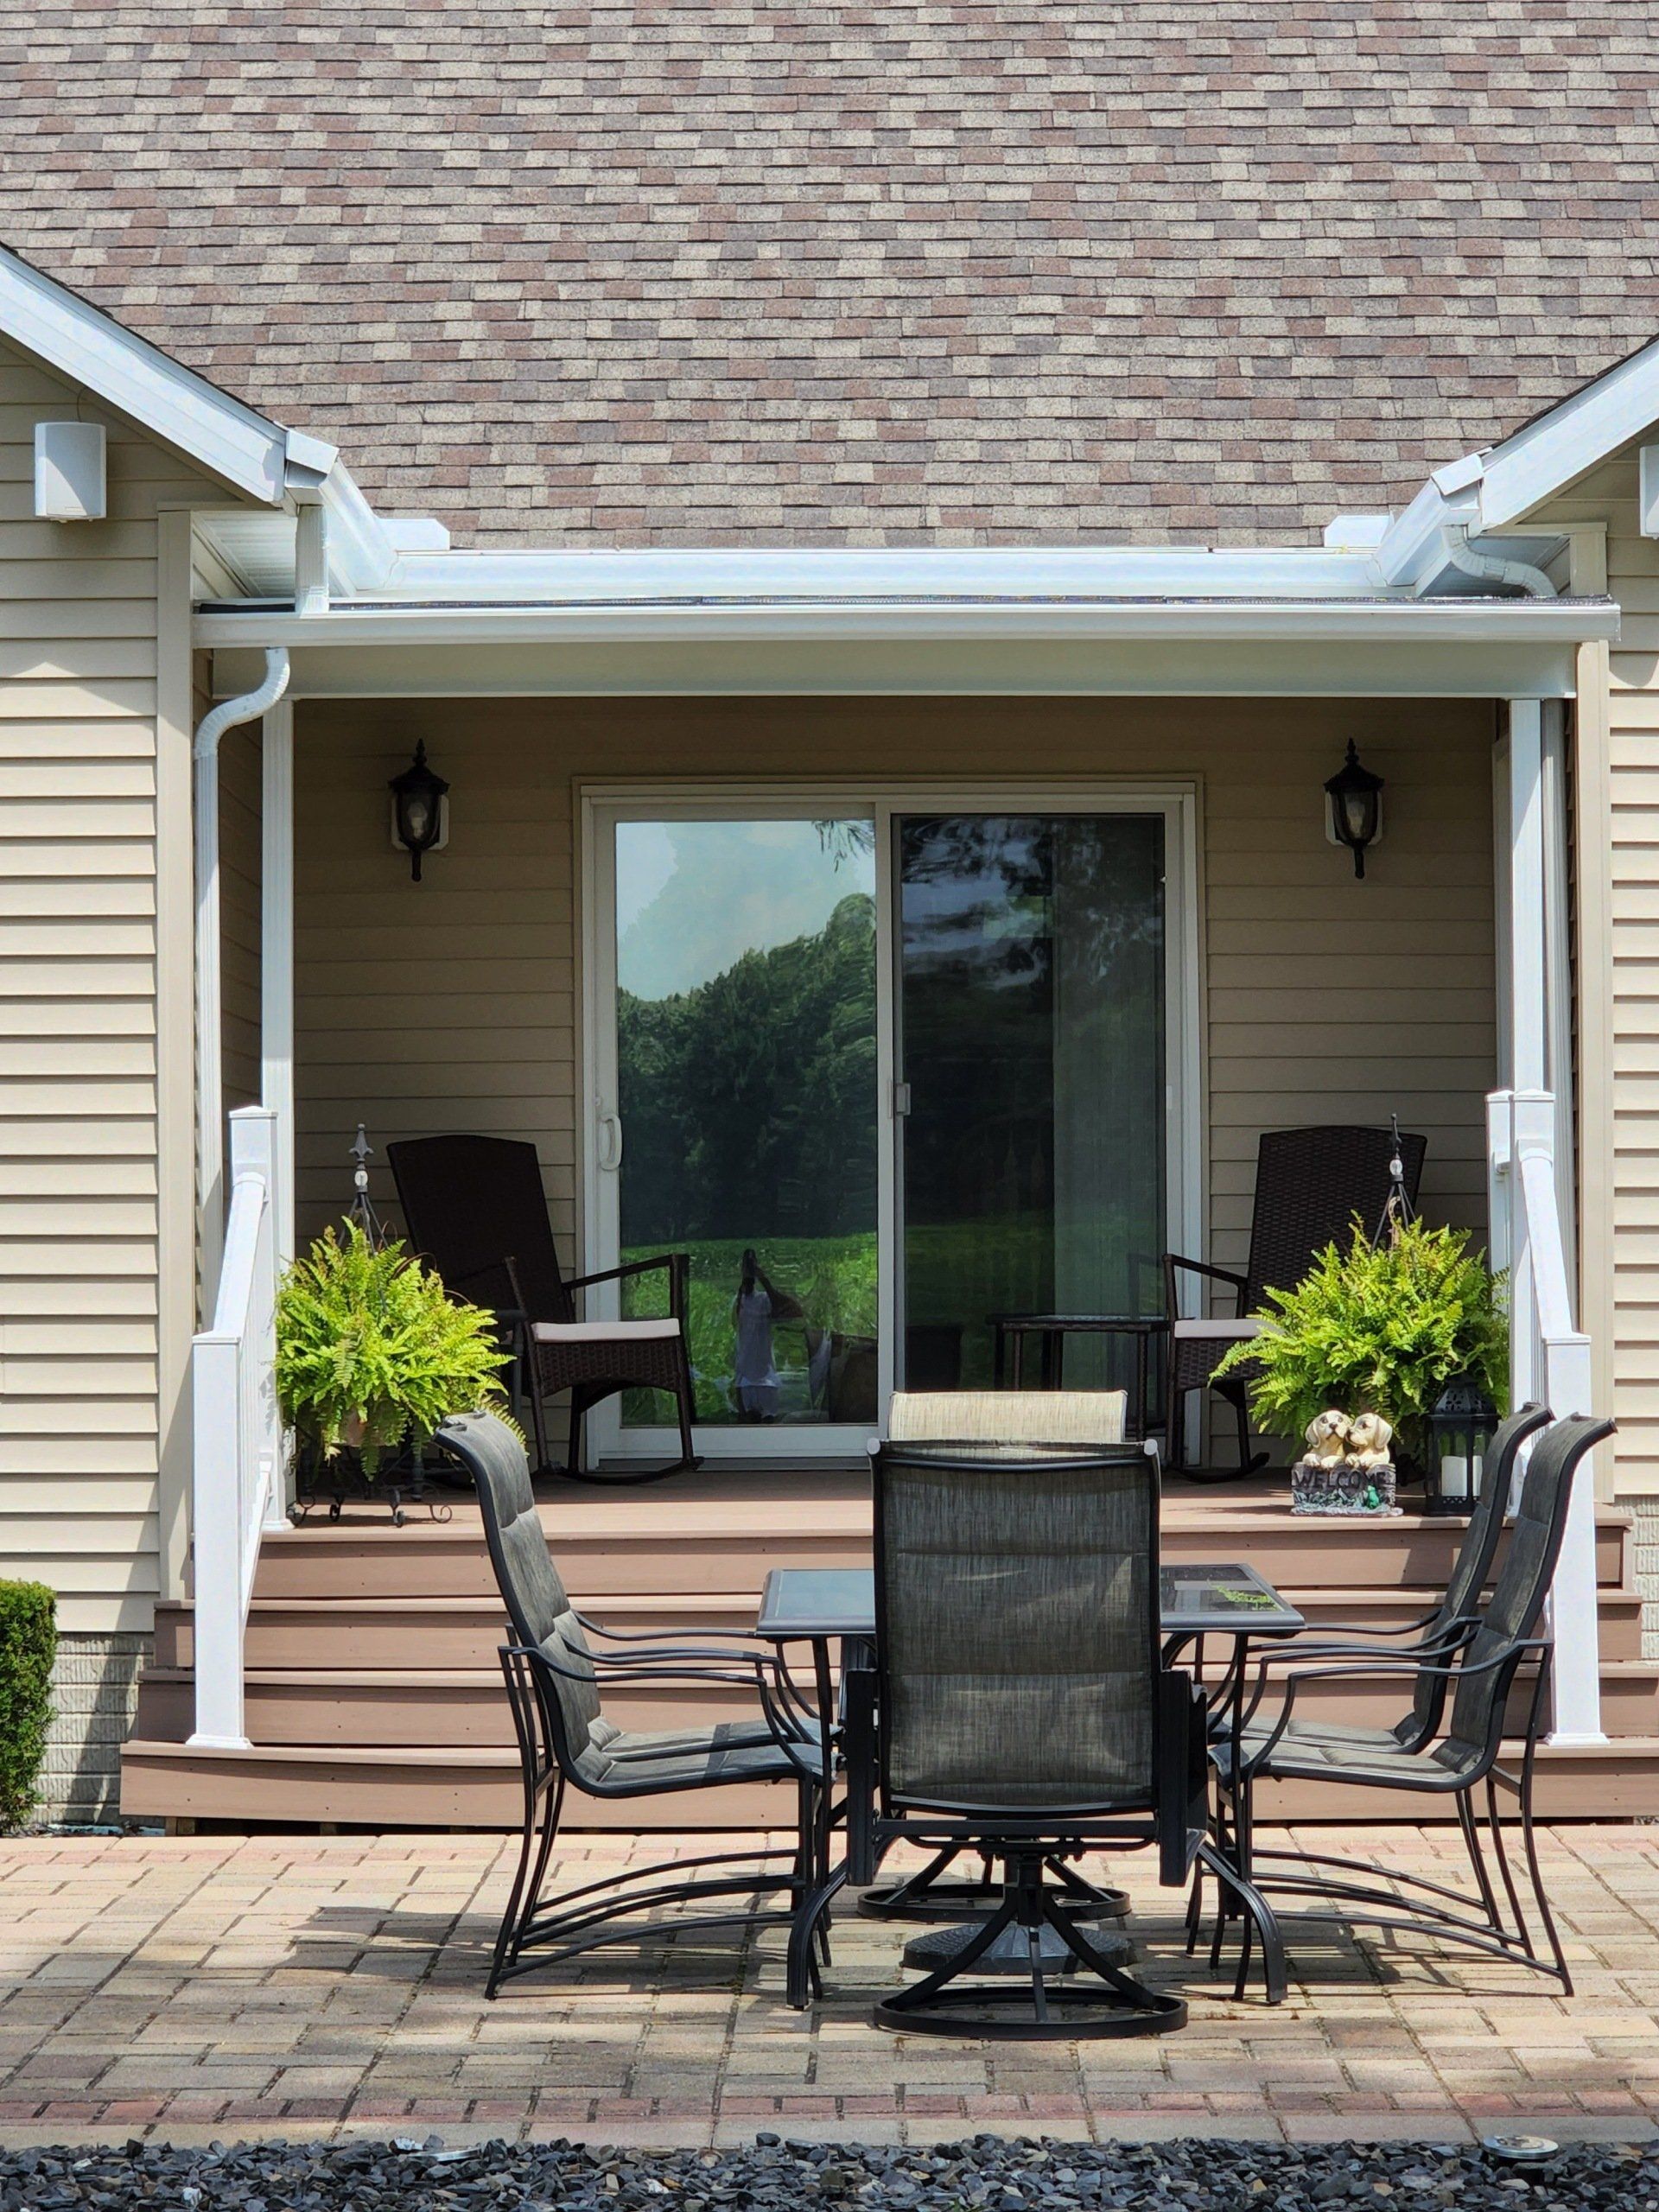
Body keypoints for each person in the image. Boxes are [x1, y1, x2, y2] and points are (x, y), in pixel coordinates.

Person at [732, 1249, 802, 1421]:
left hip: (765, 1378)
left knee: (768, 1422)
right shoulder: (739, 1301)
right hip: (745, 1378)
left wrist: (765, 1281)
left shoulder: (764, 1300)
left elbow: (792, 1310)